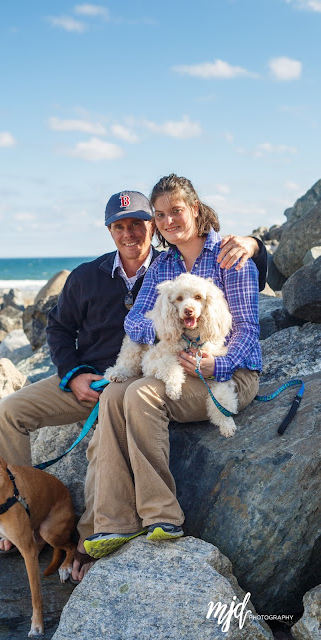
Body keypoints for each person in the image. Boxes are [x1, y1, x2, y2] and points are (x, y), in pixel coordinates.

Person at [0, 187, 266, 581]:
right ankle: (15, 517)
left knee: (113, 424)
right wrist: (74, 374)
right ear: (109, 231)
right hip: (97, 377)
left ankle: (87, 542)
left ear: (151, 227)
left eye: (138, 224)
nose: (129, 233)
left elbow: (246, 308)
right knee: (6, 411)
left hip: (149, 378)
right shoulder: (101, 274)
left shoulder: (179, 263)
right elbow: (65, 326)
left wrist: (255, 244)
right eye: (119, 227)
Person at [83, 175, 262, 560]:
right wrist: (171, 328)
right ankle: (113, 521)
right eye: (160, 215)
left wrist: (220, 363)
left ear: (194, 210)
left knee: (141, 393)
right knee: (114, 393)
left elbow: (248, 329)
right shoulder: (163, 264)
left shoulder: (231, 256)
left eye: (176, 211)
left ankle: (162, 515)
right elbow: (134, 323)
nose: (168, 221)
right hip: (175, 364)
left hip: (230, 374)